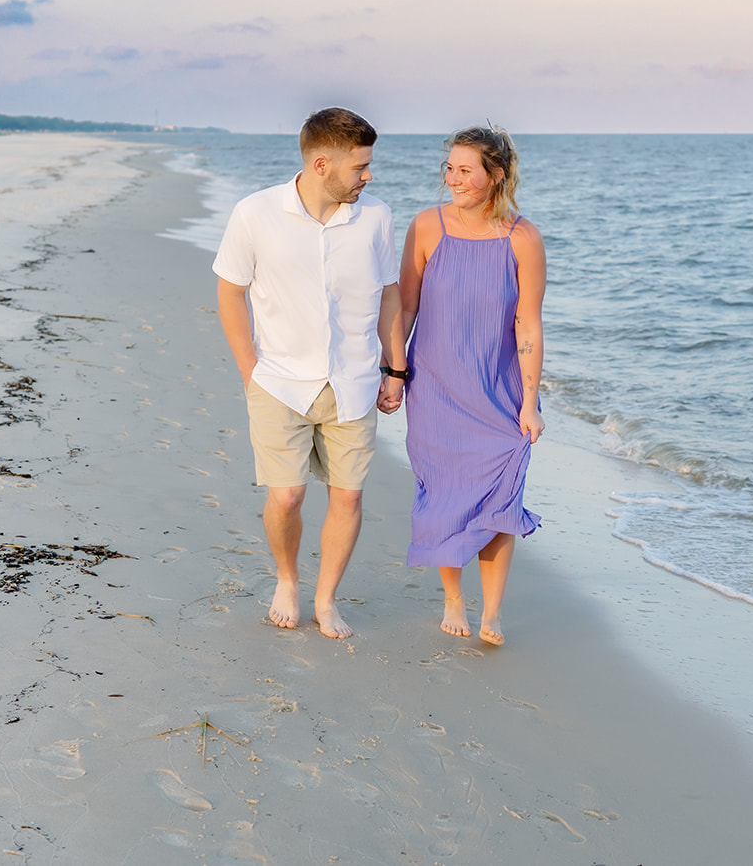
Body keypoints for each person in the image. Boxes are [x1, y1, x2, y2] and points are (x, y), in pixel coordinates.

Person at [213, 108, 402, 639]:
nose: (369, 176)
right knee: (287, 496)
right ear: (322, 164)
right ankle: (288, 580)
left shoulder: (376, 218)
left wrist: (396, 369)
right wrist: (250, 369)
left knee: (348, 497)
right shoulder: (255, 214)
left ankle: (326, 598)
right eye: (361, 166)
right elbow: (230, 291)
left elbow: (391, 293)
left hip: (356, 382)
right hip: (278, 383)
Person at [379, 125, 546, 646]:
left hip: (498, 395)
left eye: (465, 170)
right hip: (436, 391)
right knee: (445, 497)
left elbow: (528, 325)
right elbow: (405, 307)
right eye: (449, 167)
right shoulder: (427, 227)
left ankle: (492, 612)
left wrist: (530, 402)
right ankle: (454, 598)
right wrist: (395, 372)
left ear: (496, 176)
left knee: (501, 504)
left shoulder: (523, 238)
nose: (452, 178)